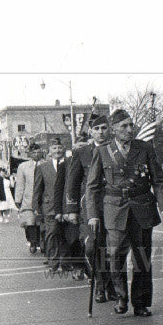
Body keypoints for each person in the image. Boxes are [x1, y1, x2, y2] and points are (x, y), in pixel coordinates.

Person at [85, 109, 163, 316]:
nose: (129, 129)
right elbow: (93, 186)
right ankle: (121, 297)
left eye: (131, 125)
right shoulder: (103, 151)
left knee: (142, 259)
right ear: (113, 129)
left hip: (142, 207)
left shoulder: (144, 148)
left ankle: (140, 303)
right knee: (115, 256)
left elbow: (158, 180)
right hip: (115, 210)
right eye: (124, 126)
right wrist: (93, 215)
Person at [65, 115, 116, 302]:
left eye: (104, 128)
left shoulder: (115, 149)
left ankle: (111, 286)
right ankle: (100, 284)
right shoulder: (82, 152)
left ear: (109, 129)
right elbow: (72, 182)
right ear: (91, 131)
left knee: (112, 248)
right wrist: (71, 209)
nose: (101, 132)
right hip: (90, 205)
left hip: (112, 204)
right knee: (92, 246)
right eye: (97, 129)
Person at [33, 137, 70, 275]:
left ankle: (66, 263)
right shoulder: (43, 167)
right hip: (50, 207)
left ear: (64, 149)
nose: (58, 150)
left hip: (66, 206)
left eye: (60, 148)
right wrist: (36, 207)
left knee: (66, 234)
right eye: (54, 148)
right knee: (52, 232)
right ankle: (53, 262)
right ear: (49, 151)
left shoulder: (70, 164)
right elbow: (37, 188)